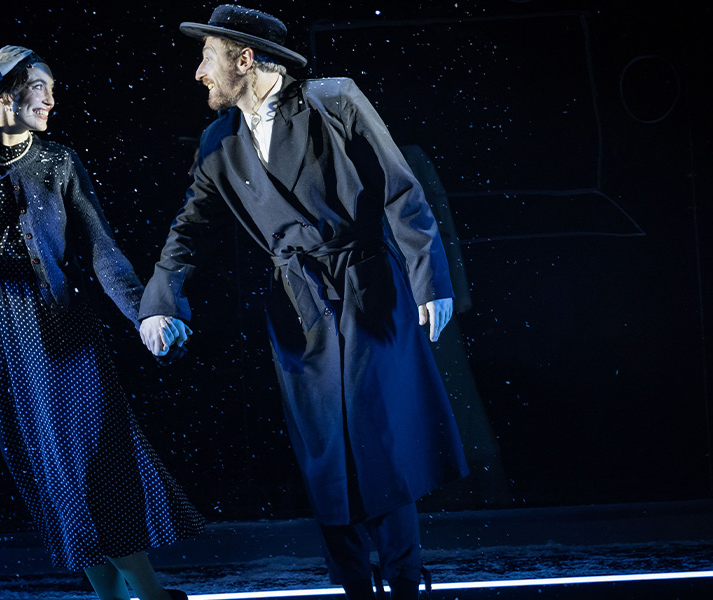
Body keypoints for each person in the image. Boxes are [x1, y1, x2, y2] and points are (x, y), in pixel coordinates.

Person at [136, 6, 469, 600]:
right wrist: (160, 300)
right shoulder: (219, 142)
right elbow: (191, 229)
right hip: (297, 303)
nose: (198, 73)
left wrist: (430, 280)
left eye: (207, 58)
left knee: (378, 435)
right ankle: (354, 584)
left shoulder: (332, 101)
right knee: (324, 449)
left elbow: (399, 187)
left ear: (244, 59)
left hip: (367, 285)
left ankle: (403, 578)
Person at [0, 46, 201, 600]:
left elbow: (102, 250)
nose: (50, 100)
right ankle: (112, 597)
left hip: (64, 328)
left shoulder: (58, 162)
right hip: (6, 334)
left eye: (52, 89)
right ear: (4, 94)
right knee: (53, 470)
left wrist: (146, 313)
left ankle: (150, 595)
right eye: (39, 86)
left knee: (98, 463)